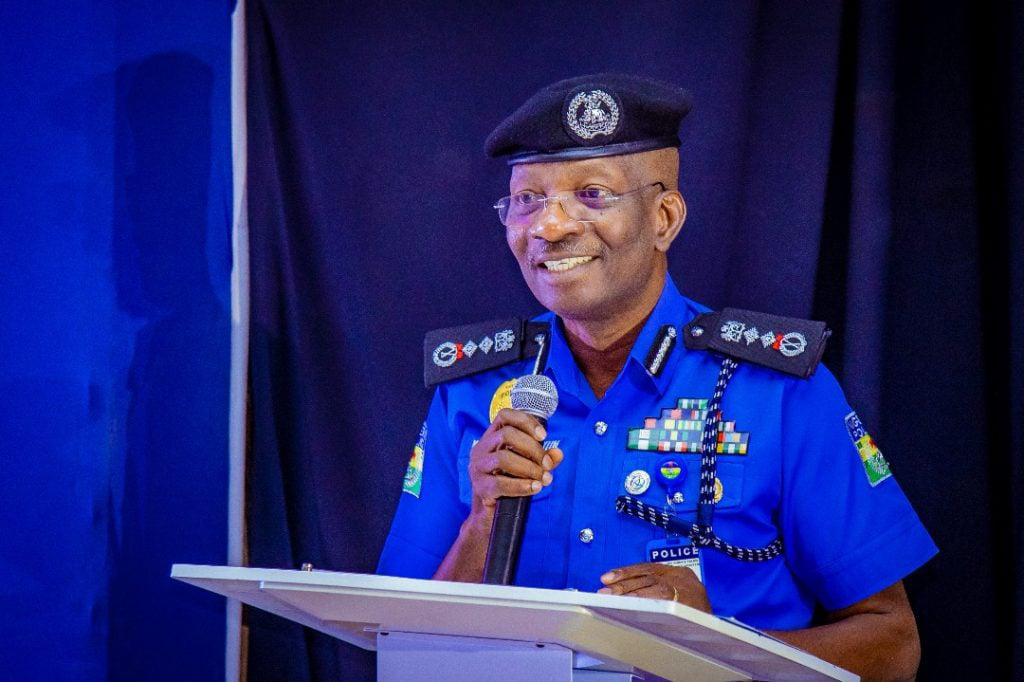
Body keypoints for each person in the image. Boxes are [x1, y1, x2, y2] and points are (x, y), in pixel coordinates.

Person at [378, 74, 937, 680]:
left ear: (664, 218)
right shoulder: (471, 392)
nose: (549, 226)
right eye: (527, 199)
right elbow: (399, 639)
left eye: (592, 194)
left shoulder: (778, 393)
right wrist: (482, 522)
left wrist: (712, 644)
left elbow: (893, 647)